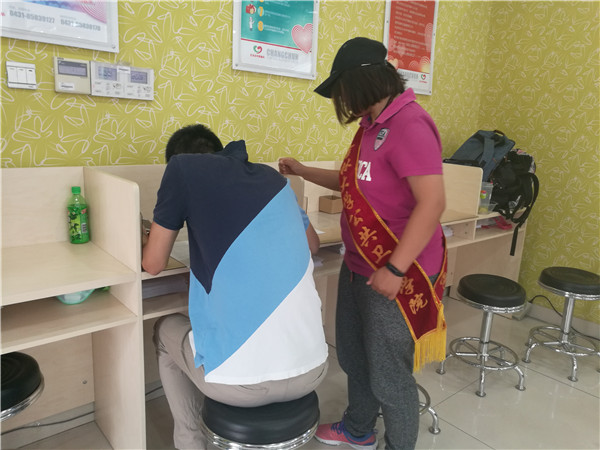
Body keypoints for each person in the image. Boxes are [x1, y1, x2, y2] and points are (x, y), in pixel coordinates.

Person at [279, 37, 447, 450]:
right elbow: (352, 183)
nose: (342, 103)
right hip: (359, 266)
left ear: (362, 82)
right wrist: (303, 170)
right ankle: (358, 429)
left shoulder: (409, 124)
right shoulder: (371, 127)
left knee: (390, 375)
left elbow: (432, 203)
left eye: (342, 92)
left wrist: (395, 268)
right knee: (355, 357)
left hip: (399, 274)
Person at [142, 124, 328, 449]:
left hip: (240, 387)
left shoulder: (182, 169)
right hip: (313, 369)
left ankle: (189, 442)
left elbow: (153, 264)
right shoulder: (273, 179)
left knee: (164, 329)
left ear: (177, 160)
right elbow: (312, 244)